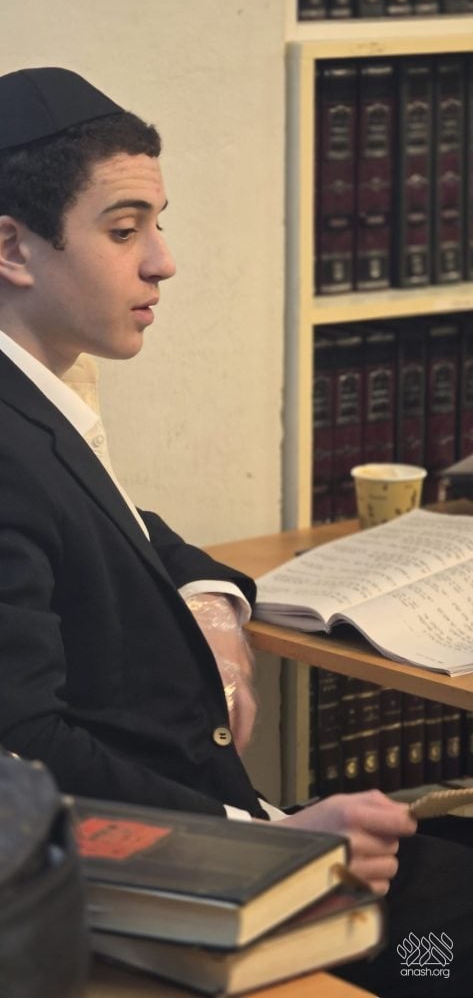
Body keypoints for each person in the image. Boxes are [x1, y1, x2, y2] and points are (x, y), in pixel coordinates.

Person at [0, 66, 471, 997]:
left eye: (158, 225)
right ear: (12, 248)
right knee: (446, 950)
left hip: (224, 831)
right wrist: (268, 846)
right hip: (176, 887)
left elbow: (124, 528)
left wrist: (215, 604)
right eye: (124, 230)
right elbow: (24, 740)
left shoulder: (38, 397)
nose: (162, 262)